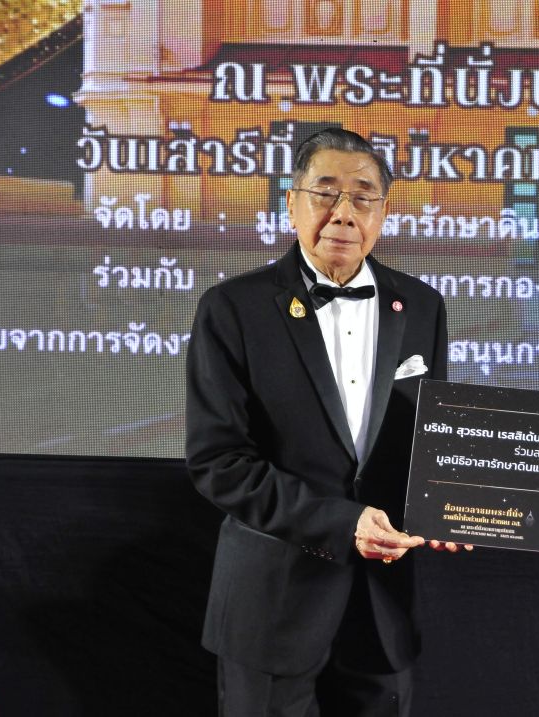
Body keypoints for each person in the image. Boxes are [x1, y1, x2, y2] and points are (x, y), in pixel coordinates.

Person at [186, 128, 457, 717]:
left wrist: (451, 505)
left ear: (384, 211)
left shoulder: (422, 306)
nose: (343, 213)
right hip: (272, 604)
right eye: (325, 192)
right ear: (291, 203)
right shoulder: (233, 308)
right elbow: (219, 463)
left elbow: (431, 446)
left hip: (384, 609)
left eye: (363, 196)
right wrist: (342, 521)